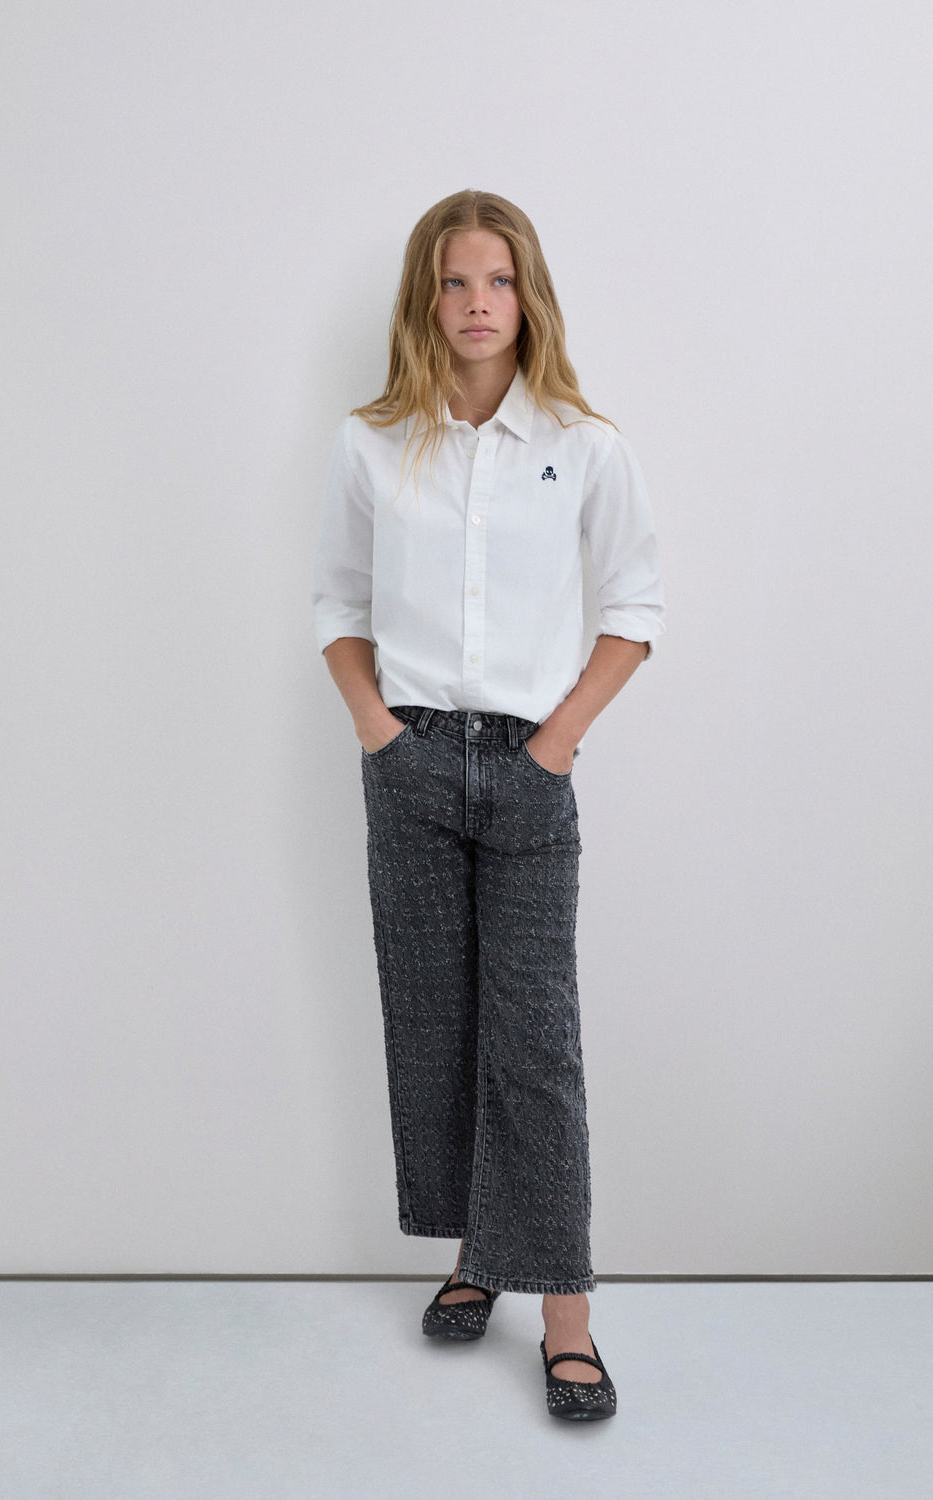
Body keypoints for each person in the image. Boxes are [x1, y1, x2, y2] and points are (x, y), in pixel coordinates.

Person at [312, 189, 664, 1421]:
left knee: (535, 1044)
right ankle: (476, 1258)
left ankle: (566, 1319)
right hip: (408, 763)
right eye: (455, 282)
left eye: (498, 281)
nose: (476, 304)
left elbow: (635, 608)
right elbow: (337, 606)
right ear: (426, 299)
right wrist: (379, 732)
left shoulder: (582, 443)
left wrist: (554, 747)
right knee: (437, 1029)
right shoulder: (372, 442)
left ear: (528, 296)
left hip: (527, 768)